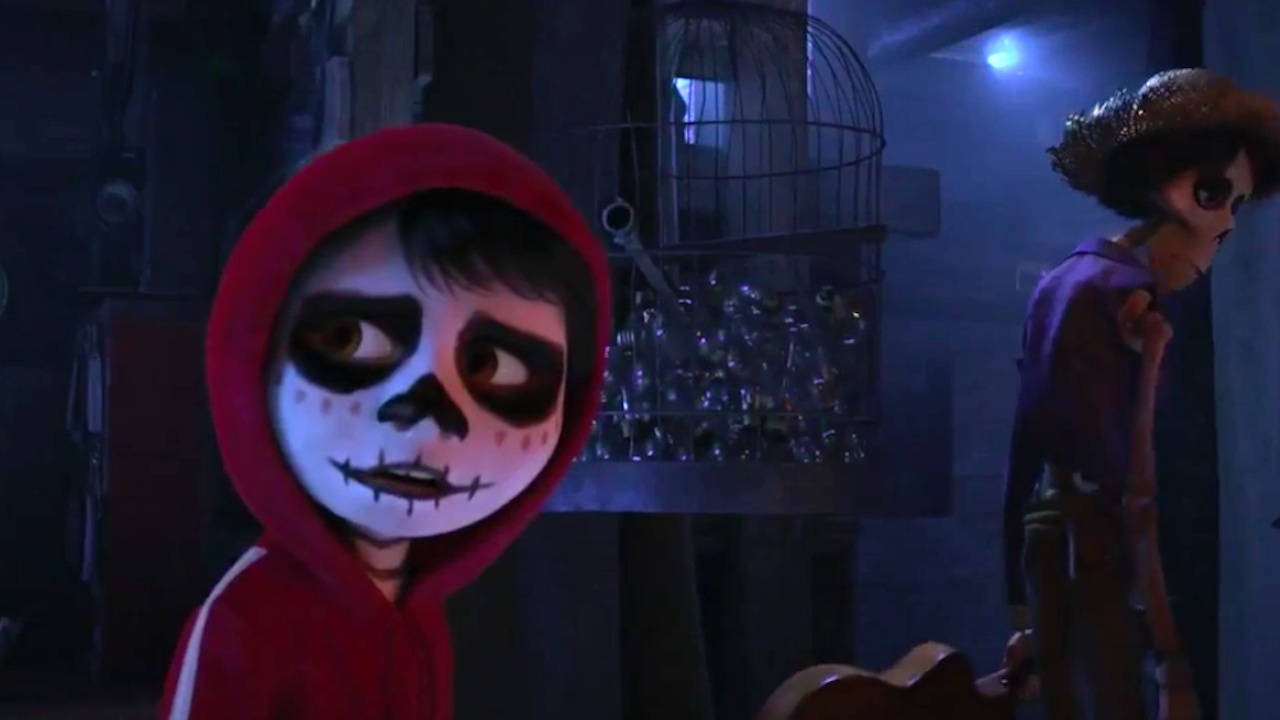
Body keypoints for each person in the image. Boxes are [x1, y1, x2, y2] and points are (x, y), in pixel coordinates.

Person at [158, 124, 610, 719]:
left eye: (494, 367)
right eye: (352, 338)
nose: (423, 422)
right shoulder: (247, 619)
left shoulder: (418, 609)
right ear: (254, 361)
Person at [1000, 69, 1280, 720]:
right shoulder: (1113, 293)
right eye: (1211, 195)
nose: (1222, 227)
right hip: (1095, 537)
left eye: (1234, 205)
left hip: (1071, 532)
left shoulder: (1069, 282)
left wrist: (1017, 595)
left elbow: (1028, 442)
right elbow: (1114, 466)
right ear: (1160, 180)